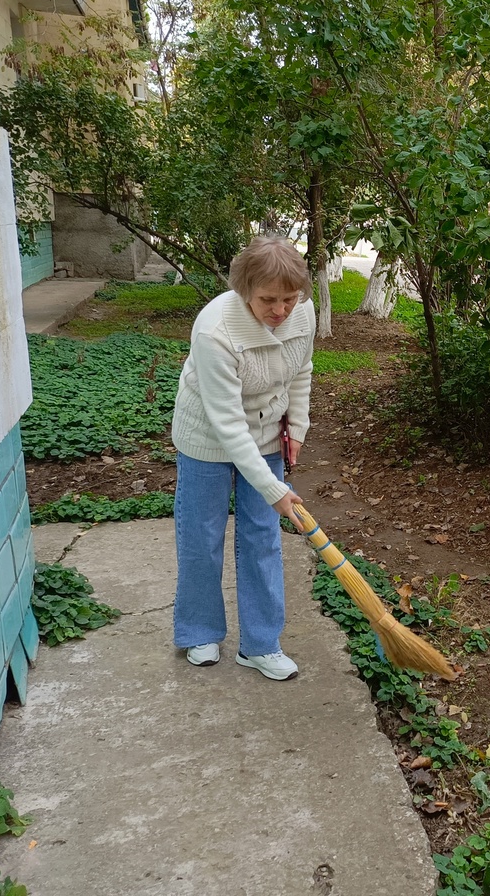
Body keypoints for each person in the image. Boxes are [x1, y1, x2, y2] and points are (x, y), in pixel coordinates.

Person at [171, 236, 316, 681]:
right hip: (208, 439)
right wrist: (275, 490)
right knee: (201, 535)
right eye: (268, 300)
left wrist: (299, 427)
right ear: (243, 290)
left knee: (262, 538)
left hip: (268, 432)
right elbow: (227, 424)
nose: (281, 310)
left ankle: (260, 644)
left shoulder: (302, 312)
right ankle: (199, 631)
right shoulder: (215, 330)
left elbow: (302, 371)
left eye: (290, 298)